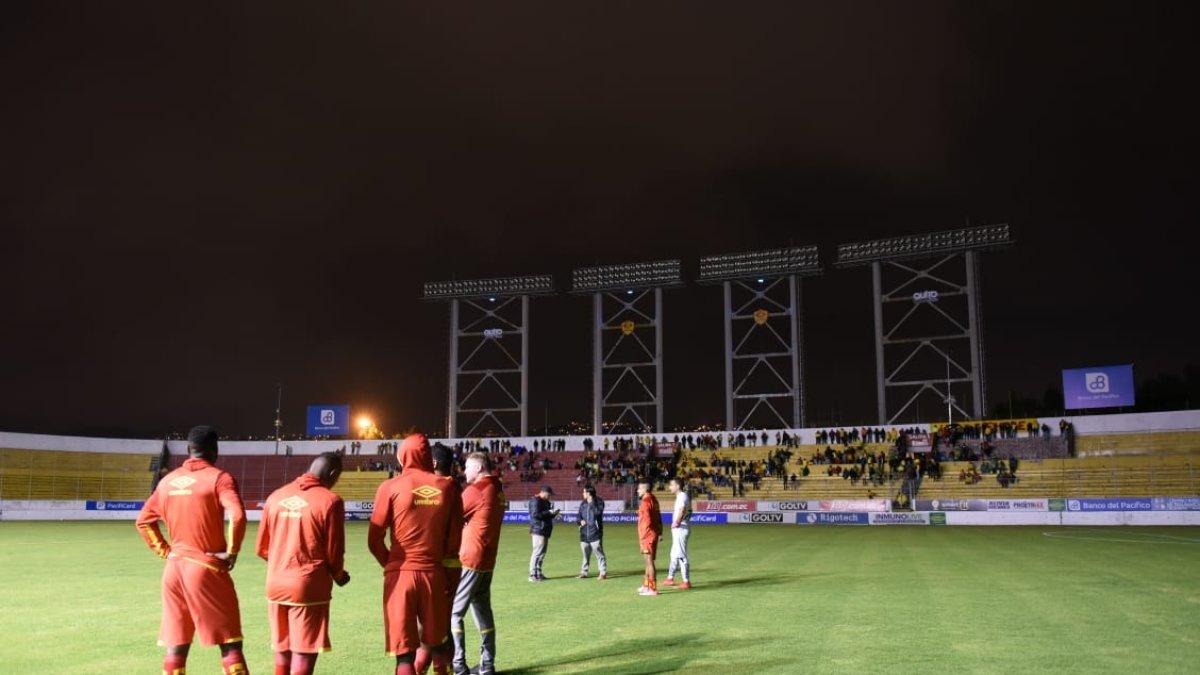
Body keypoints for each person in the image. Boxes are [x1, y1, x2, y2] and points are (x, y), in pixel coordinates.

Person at [134, 425, 250, 675]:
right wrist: (232, 551)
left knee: (176, 648)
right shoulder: (219, 478)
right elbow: (238, 516)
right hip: (206, 568)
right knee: (230, 645)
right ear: (215, 450)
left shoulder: (167, 482)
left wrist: (166, 551)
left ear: (189, 450)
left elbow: (142, 521)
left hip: (173, 572)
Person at [368, 434, 463, 675]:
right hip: (434, 575)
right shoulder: (449, 487)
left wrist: (392, 564)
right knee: (439, 646)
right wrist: (448, 576)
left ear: (403, 456)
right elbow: (454, 543)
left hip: (399, 577)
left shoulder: (389, 486)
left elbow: (374, 539)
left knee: (404, 655)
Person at [255, 452, 351, 675]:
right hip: (307, 586)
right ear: (333, 474)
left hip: (275, 583)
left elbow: (261, 547)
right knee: (304, 650)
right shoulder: (330, 501)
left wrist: (283, 563)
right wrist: (338, 575)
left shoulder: (275, 497)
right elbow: (334, 551)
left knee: (282, 648)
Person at [449, 452, 505, 675]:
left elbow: (453, 516)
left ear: (480, 467)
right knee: (483, 612)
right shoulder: (498, 489)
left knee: (454, 613)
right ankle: (487, 665)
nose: (464, 472)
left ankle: (458, 665)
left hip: (470, 558)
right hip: (487, 561)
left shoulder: (476, 490)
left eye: (467, 467)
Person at [414, 444, 462, 675]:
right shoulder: (449, 487)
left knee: (433, 625)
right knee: (433, 623)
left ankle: (436, 668)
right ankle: (431, 667)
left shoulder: (445, 487)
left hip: (440, 566)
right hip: (441, 565)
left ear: (433, 463)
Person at [663, 477, 692, 590]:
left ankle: (686, 581)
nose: (669, 487)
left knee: (681, 555)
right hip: (680, 528)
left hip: (681, 528)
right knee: (674, 554)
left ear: (678, 486)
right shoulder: (681, 496)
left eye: (671, 485)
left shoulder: (682, 496)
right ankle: (670, 578)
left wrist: (677, 522)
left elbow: (682, 510)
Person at [636, 481, 663, 596]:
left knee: (649, 562)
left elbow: (647, 520)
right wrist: (660, 531)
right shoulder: (654, 499)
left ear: (645, 489)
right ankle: (647, 585)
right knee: (648, 562)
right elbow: (658, 517)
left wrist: (643, 536)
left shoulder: (646, 502)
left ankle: (652, 588)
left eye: (639, 488)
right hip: (652, 534)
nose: (637, 490)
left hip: (647, 535)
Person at [527, 486, 559, 582]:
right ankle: (532, 574)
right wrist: (549, 512)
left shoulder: (546, 502)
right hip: (538, 529)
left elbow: (546, 515)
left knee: (542, 553)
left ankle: (538, 572)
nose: (550, 497)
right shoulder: (535, 501)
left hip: (545, 530)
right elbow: (535, 515)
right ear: (544, 492)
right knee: (537, 552)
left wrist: (554, 514)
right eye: (549, 494)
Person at [577, 485, 607, 580]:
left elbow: (597, 513)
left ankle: (602, 572)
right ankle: (584, 572)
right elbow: (578, 516)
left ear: (589, 493)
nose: (583, 494)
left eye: (584, 492)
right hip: (584, 533)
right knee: (585, 554)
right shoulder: (583, 503)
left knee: (599, 553)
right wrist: (579, 521)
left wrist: (591, 503)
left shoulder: (599, 502)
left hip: (595, 532)